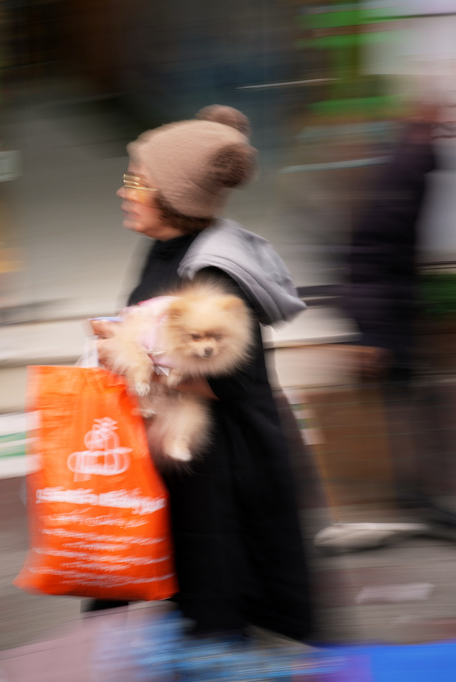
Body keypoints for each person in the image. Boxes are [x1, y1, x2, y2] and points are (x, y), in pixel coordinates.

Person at [90, 105, 313, 642]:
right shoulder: (166, 248)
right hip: (191, 466)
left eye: (135, 181)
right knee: (191, 611)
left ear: (172, 196)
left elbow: (236, 379)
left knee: (219, 614)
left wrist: (141, 369)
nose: (124, 190)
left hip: (226, 478)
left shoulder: (212, 271)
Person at [319, 97, 456, 550]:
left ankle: (408, 499)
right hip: (385, 320)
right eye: (443, 124)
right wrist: (371, 336)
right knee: (399, 411)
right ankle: (396, 505)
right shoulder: (404, 172)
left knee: (408, 410)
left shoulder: (414, 166)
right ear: (425, 126)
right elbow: (370, 248)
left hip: (393, 314)